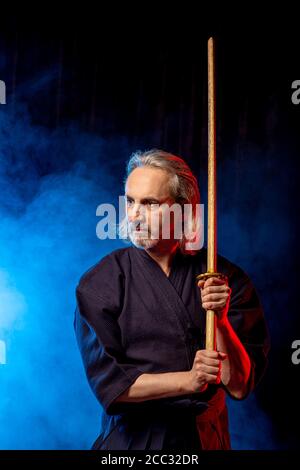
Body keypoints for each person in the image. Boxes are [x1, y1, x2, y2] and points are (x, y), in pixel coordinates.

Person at [74, 149, 269, 450]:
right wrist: (189, 380)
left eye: (149, 203)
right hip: (132, 443)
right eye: (130, 201)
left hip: (205, 442)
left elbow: (241, 385)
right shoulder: (101, 283)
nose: (134, 214)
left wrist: (219, 320)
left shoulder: (224, 278)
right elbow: (112, 387)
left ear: (184, 210)